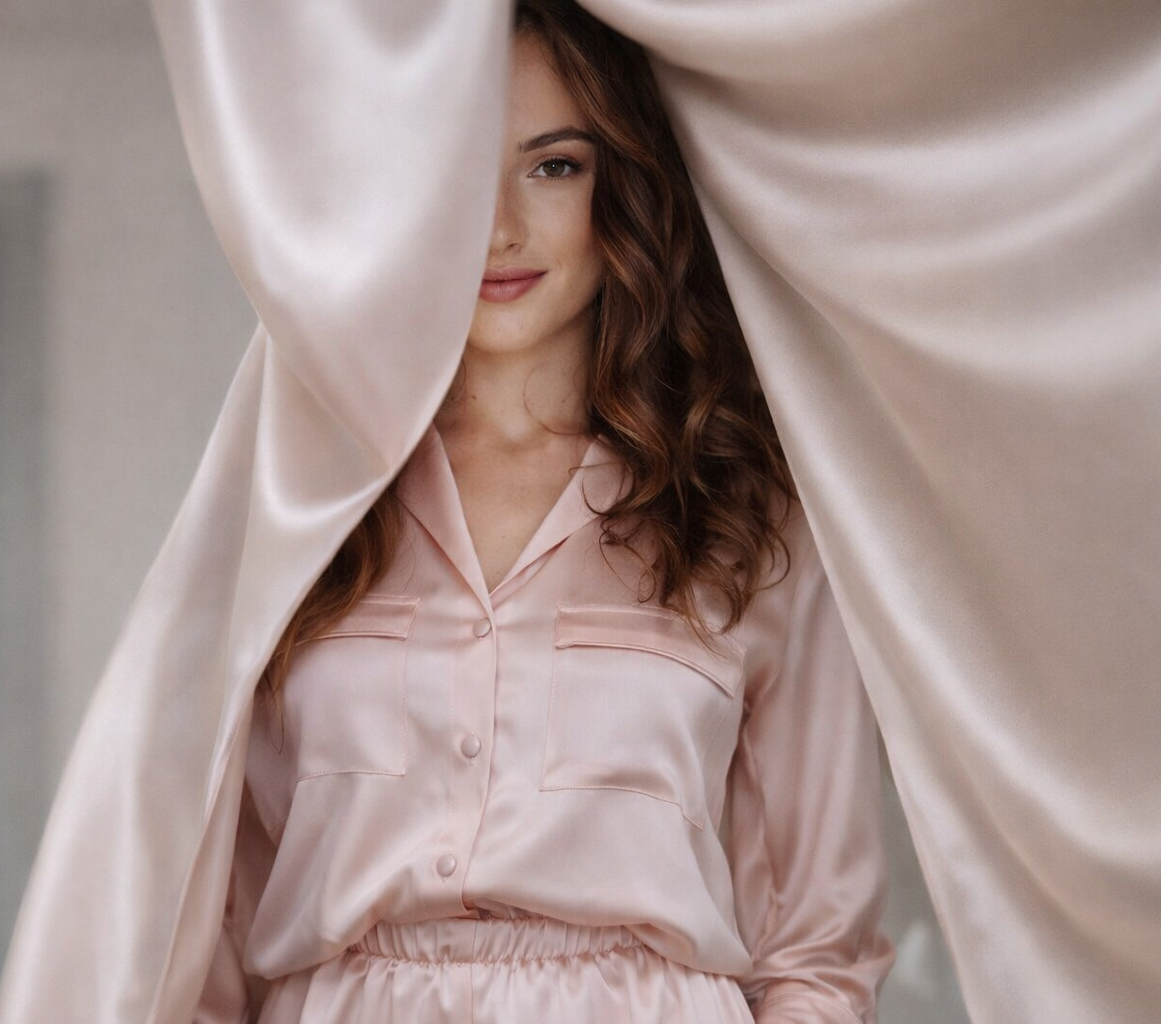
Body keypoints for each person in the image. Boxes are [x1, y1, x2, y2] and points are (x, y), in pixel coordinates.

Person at [192, 1, 896, 1021]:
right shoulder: (302, 507)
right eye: (459, 159)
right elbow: (213, 926)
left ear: (624, 184)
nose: (500, 225)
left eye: (554, 165)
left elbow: (819, 953)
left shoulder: (749, 517)